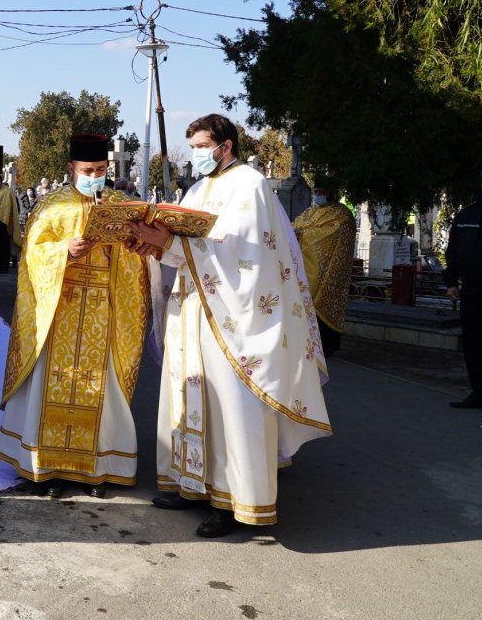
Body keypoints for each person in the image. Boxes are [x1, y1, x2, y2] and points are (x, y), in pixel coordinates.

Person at [127, 114, 331, 538]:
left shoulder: (251, 186)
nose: (198, 154)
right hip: (194, 312)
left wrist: (169, 242)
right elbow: (185, 250)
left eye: (203, 146)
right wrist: (152, 242)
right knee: (188, 396)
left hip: (233, 315)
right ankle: (190, 483)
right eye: (195, 147)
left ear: (226, 145)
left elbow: (243, 255)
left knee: (228, 406)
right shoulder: (199, 188)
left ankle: (230, 501)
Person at [0, 134, 152, 499]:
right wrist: (64, 250)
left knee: (100, 390)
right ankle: (48, 468)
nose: (95, 176)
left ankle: (98, 468)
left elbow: (138, 260)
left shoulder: (122, 205)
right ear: (71, 168)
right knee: (54, 387)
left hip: (105, 309)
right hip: (58, 311)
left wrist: (128, 246)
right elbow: (30, 257)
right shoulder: (50, 205)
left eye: (100, 170)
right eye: (88, 170)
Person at [443, 160, 482, 409]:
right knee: (474, 343)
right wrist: (451, 283)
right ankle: (480, 393)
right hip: (472, 291)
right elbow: (452, 252)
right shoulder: (467, 215)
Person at [292, 177, 357, 358]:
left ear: (331, 192)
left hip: (328, 271)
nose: (318, 195)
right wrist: (293, 232)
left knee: (320, 306)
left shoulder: (341, 214)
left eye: (322, 191)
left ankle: (325, 346)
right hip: (306, 268)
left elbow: (327, 236)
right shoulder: (311, 211)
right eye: (316, 191)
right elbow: (296, 225)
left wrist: (302, 234)